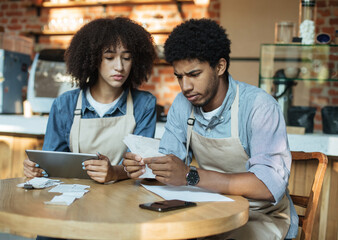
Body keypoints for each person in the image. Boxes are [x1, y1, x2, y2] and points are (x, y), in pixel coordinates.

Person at [123, 18, 298, 240]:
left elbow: (268, 185)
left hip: (260, 216)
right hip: (211, 209)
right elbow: (171, 162)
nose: (185, 86)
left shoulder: (258, 107)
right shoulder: (182, 104)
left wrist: (190, 175)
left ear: (220, 66)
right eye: (179, 76)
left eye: (194, 74)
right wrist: (146, 167)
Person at [23, 17, 157, 185]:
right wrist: (37, 169)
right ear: (93, 59)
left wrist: (114, 172)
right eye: (109, 57)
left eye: (126, 58)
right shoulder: (64, 105)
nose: (120, 67)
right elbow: (52, 166)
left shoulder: (144, 104)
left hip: (125, 199)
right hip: (75, 197)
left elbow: (140, 165)